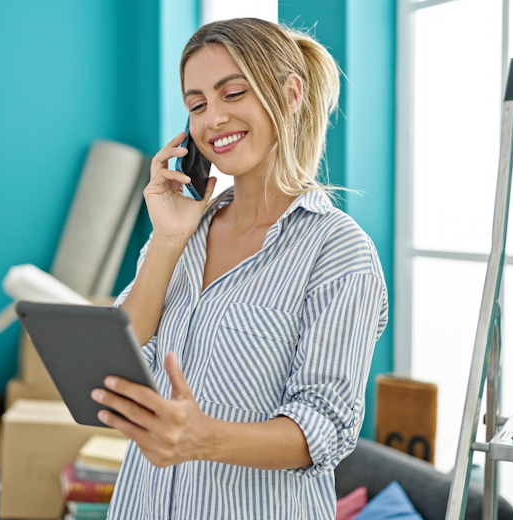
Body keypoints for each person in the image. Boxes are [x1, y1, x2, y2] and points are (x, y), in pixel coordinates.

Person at [90, 17, 388, 519]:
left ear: (290, 93)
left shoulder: (337, 251)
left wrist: (202, 439)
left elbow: (325, 428)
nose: (212, 120)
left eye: (233, 94)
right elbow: (121, 348)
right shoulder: (183, 232)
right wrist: (166, 237)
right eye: (197, 104)